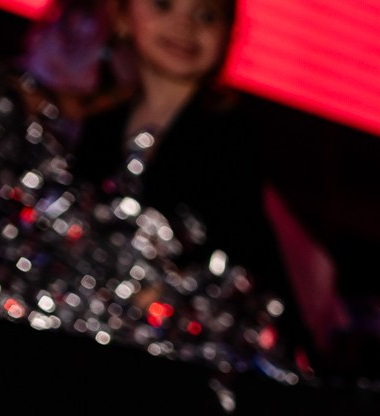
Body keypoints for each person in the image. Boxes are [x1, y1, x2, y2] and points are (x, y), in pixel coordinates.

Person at [71, 0, 290, 305]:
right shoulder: (99, 122)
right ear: (122, 16)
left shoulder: (233, 133)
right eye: (163, 5)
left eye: (207, 15)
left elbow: (240, 247)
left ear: (229, 34)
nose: (185, 25)